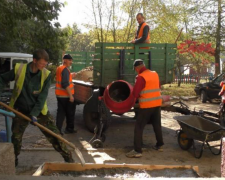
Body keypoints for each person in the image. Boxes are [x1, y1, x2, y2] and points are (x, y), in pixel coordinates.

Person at [0, 49, 74, 166]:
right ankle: (13, 163)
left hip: (39, 111)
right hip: (21, 110)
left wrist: (34, 113)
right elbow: (2, 78)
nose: (44, 66)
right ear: (34, 60)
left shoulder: (46, 74)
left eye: (45, 64)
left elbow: (42, 97)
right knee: (16, 138)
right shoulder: (19, 69)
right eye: (42, 63)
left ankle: (70, 161)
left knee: (55, 136)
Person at [126, 59, 164, 158]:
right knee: (157, 125)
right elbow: (158, 86)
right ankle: (160, 145)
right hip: (157, 104)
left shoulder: (141, 77)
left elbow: (135, 93)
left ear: (137, 68)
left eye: (135, 69)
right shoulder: (154, 73)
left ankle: (137, 151)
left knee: (138, 127)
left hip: (147, 106)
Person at [55, 54, 76, 135]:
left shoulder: (60, 68)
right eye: (70, 60)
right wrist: (71, 95)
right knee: (69, 112)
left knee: (60, 112)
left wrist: (71, 75)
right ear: (65, 60)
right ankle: (69, 129)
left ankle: (58, 130)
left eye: (71, 60)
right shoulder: (65, 70)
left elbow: (61, 78)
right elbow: (64, 83)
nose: (71, 62)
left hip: (59, 95)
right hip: (66, 96)